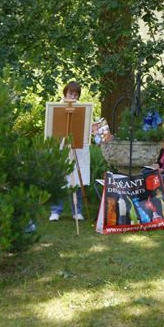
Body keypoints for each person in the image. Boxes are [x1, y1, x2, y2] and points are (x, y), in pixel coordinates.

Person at [49, 81, 90, 222]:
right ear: (65, 92)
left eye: (75, 94)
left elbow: (86, 126)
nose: (72, 96)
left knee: (76, 181)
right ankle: (56, 211)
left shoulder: (82, 108)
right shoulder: (57, 107)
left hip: (78, 147)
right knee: (60, 178)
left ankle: (76, 212)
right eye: (70, 93)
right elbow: (51, 127)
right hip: (61, 147)